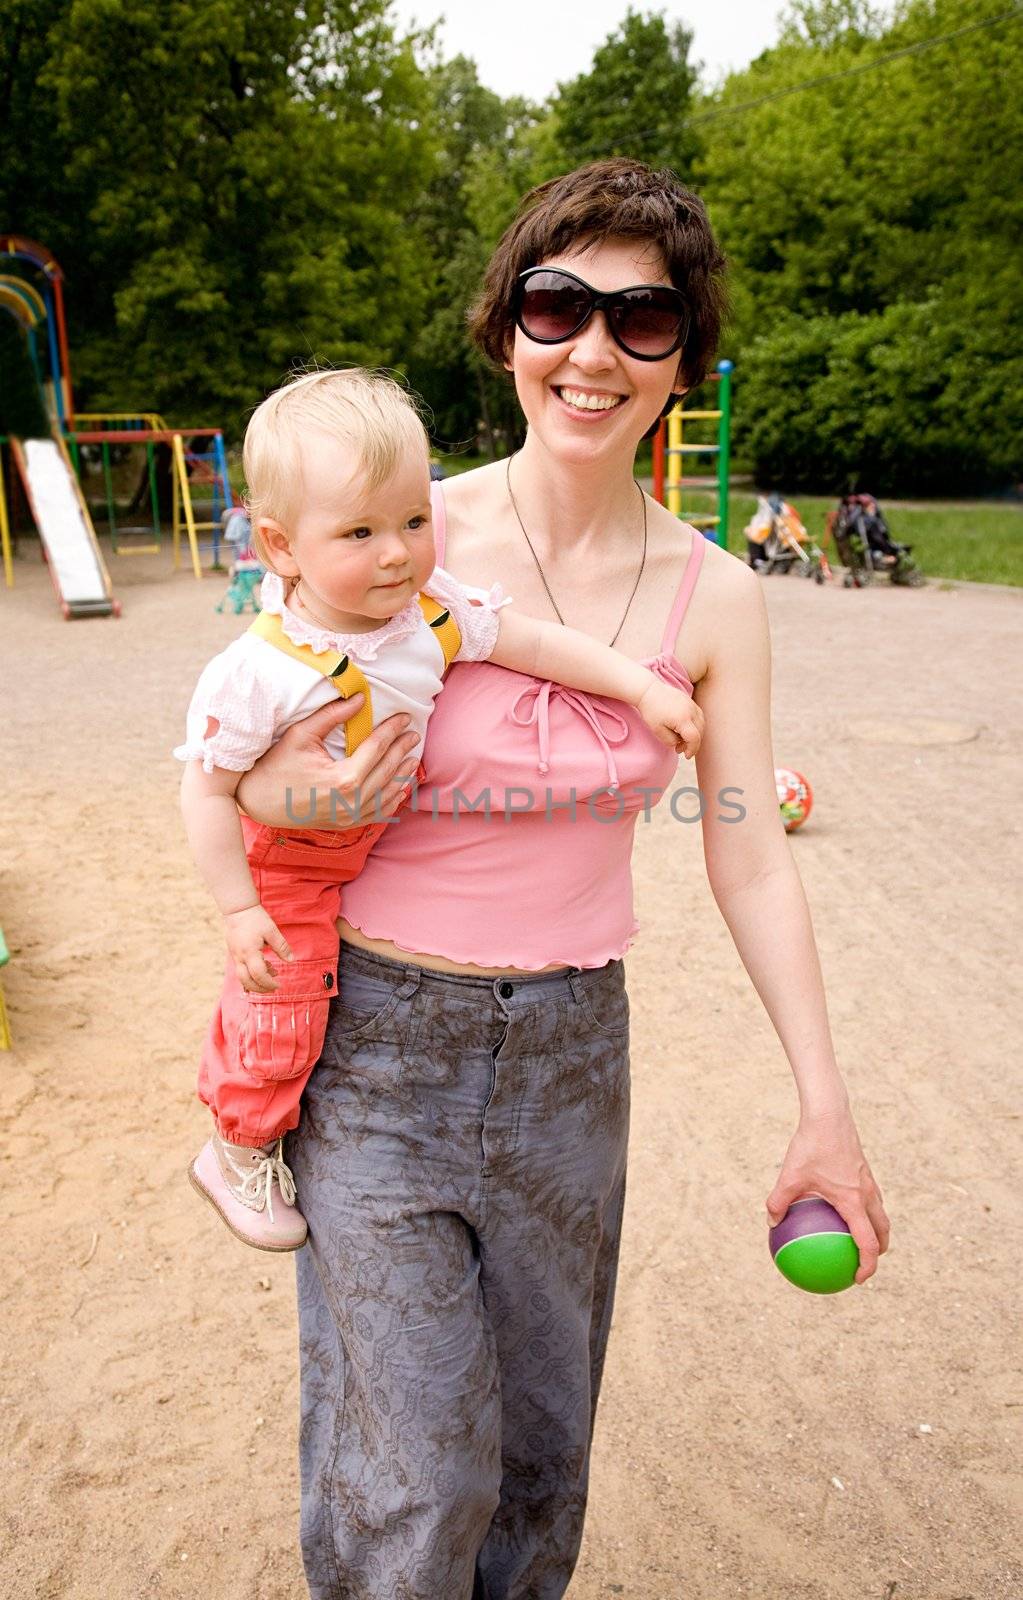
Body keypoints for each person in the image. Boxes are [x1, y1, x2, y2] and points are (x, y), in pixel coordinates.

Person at [235, 158, 890, 1600]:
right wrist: (310, 795)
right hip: (377, 1051)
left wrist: (822, 1111)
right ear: (507, 324)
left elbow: (747, 855)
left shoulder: (713, 595)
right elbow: (233, 775)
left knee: (537, 1462)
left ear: (681, 359)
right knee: (415, 1468)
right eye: (557, 303)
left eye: (639, 320)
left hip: (569, 1062)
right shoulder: (394, 534)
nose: (591, 349)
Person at [177, 368, 703, 1251]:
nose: (396, 551)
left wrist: (639, 690)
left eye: (414, 521)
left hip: (369, 850)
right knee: (287, 1004)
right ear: (280, 546)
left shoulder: (429, 613)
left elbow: (533, 642)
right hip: (291, 859)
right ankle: (235, 1146)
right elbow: (207, 787)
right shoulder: (261, 667)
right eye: (359, 532)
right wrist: (240, 908)